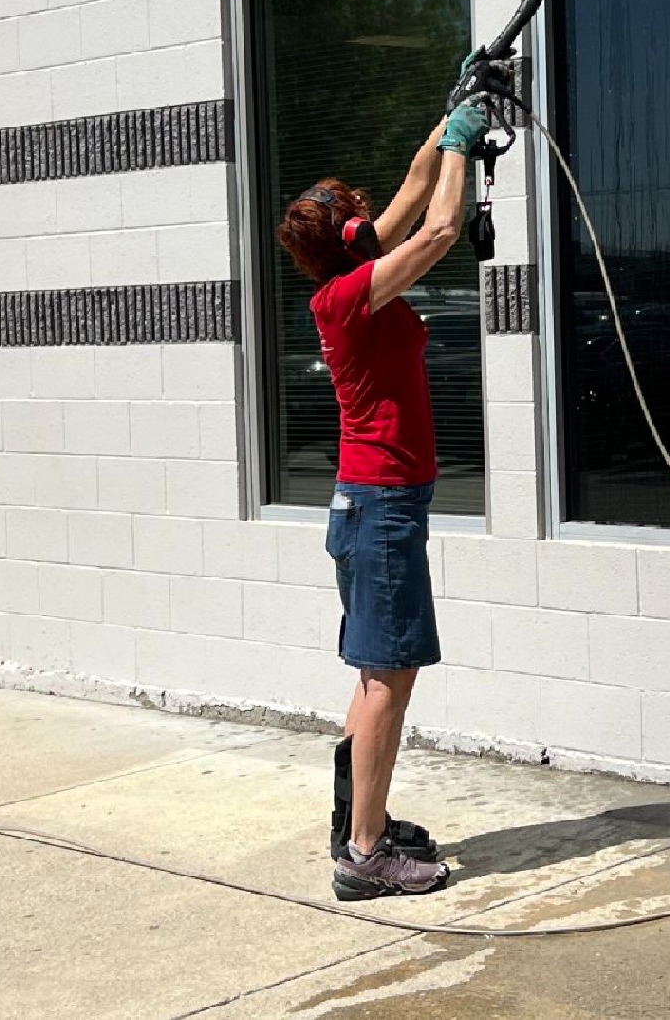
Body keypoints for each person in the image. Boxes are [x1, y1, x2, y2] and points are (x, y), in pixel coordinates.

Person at [274, 97, 488, 902]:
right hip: (380, 506)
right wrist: (464, 147)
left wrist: (449, 113)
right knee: (391, 674)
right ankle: (363, 853)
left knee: (375, 671)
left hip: (376, 505)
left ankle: (356, 818)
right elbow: (435, 231)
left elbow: (410, 186)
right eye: (358, 213)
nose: (371, 215)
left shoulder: (352, 277)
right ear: (345, 233)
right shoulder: (347, 296)